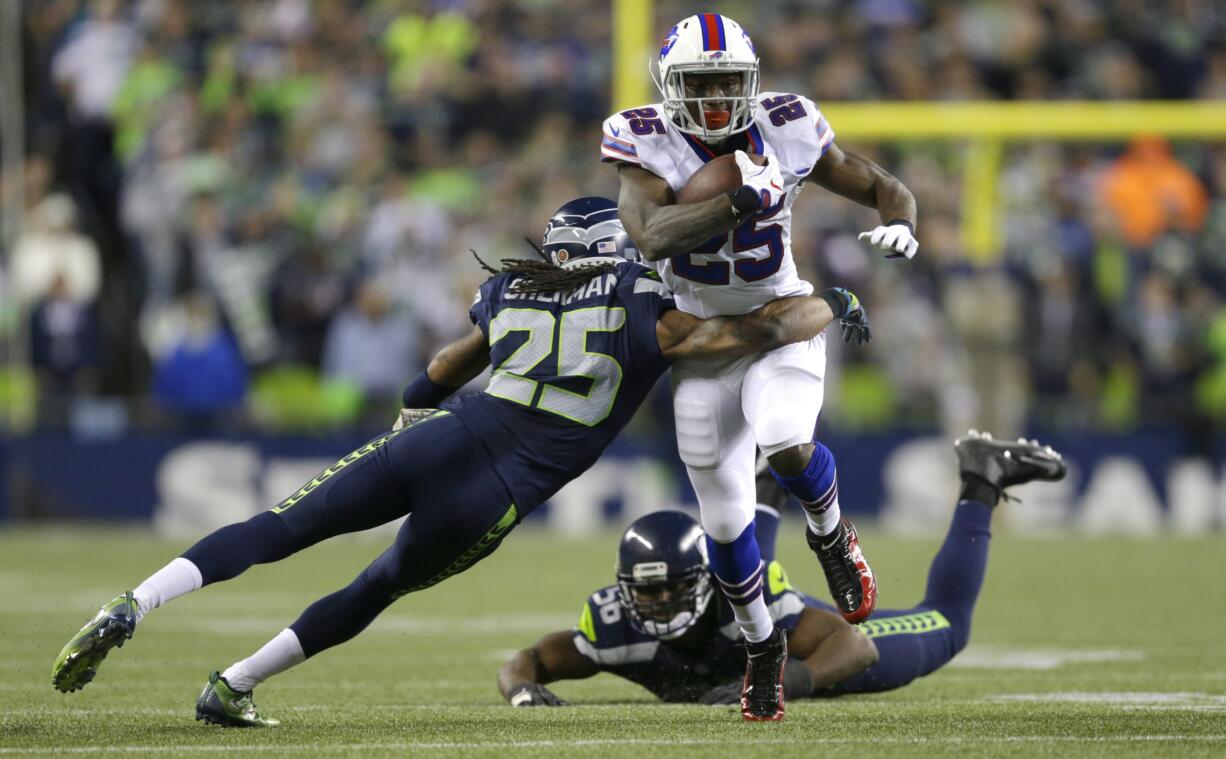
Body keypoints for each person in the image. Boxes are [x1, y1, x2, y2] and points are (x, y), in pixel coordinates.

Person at [50, 197, 871, 727]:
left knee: (278, 526)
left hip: (442, 435)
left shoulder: (511, 290)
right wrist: (827, 303)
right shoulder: (648, 309)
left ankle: (138, 598)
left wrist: (412, 406)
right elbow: (755, 330)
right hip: (497, 492)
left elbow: (448, 361)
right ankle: (234, 682)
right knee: (373, 586)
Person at [601, 13, 919, 719]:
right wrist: (741, 199)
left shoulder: (789, 123)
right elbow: (650, 236)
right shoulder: (642, 136)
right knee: (722, 522)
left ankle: (832, 532)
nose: (715, 94)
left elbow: (879, 184)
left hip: (779, 325)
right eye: (700, 81)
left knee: (783, 439)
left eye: (726, 80)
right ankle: (762, 650)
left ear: (750, 82)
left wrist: (902, 221)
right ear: (669, 85)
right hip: (706, 343)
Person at [498, 432, 1067, 711]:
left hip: (808, 646)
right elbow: (528, 661)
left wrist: (785, 681)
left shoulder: (742, 595)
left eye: (673, 586)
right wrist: (523, 691)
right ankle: (767, 477)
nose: (660, 601)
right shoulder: (615, 625)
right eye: (647, 590)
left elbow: (855, 649)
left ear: (704, 579)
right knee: (752, 569)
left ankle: (981, 479)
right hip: (756, 618)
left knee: (947, 624)